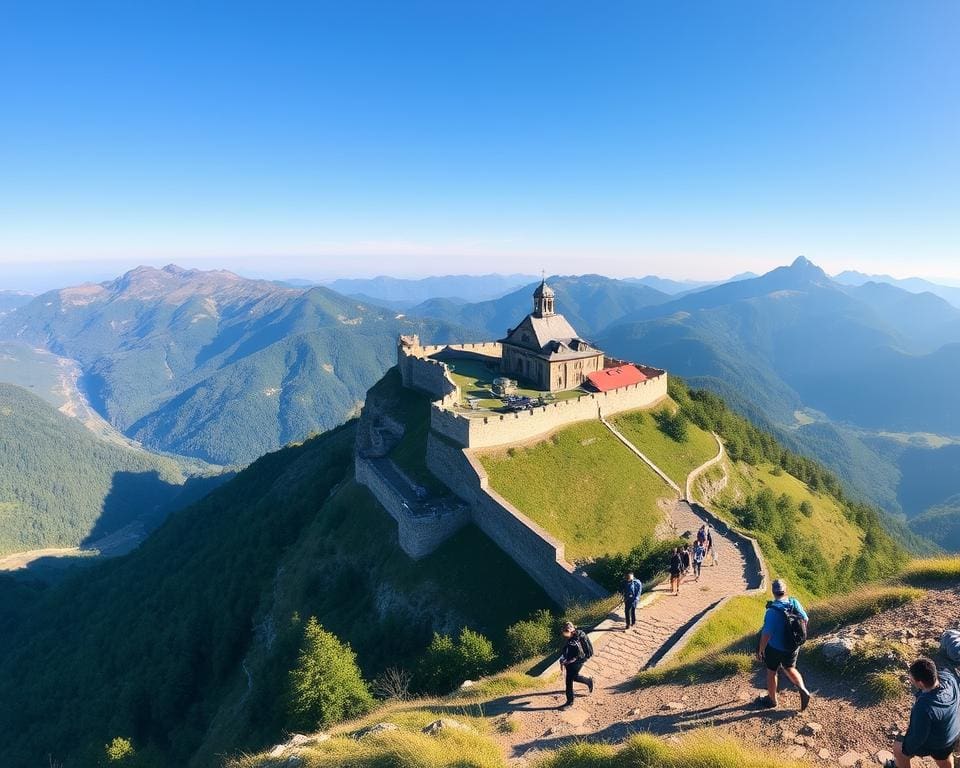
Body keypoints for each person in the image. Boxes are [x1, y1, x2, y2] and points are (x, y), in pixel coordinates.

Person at [886, 659, 960, 768]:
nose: (910, 680)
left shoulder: (924, 707)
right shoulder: (950, 679)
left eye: (911, 679)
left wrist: (906, 750)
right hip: (953, 731)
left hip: (939, 742)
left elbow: (918, 736)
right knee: (944, 756)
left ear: (920, 683)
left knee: (899, 749)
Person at [756, 578, 812, 711]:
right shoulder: (794, 602)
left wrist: (761, 650)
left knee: (771, 672)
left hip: (775, 647)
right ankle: (803, 689)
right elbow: (805, 618)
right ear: (785, 590)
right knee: (790, 667)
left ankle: (772, 700)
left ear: (773, 592)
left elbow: (767, 633)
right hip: (793, 645)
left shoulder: (772, 611)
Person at [558, 621, 594, 710]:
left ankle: (570, 702)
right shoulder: (574, 636)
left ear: (570, 631)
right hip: (578, 659)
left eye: (565, 632)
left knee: (569, 681)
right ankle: (588, 681)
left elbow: (576, 655)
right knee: (574, 677)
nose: (564, 634)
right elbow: (567, 650)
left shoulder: (574, 641)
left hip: (578, 661)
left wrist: (565, 661)